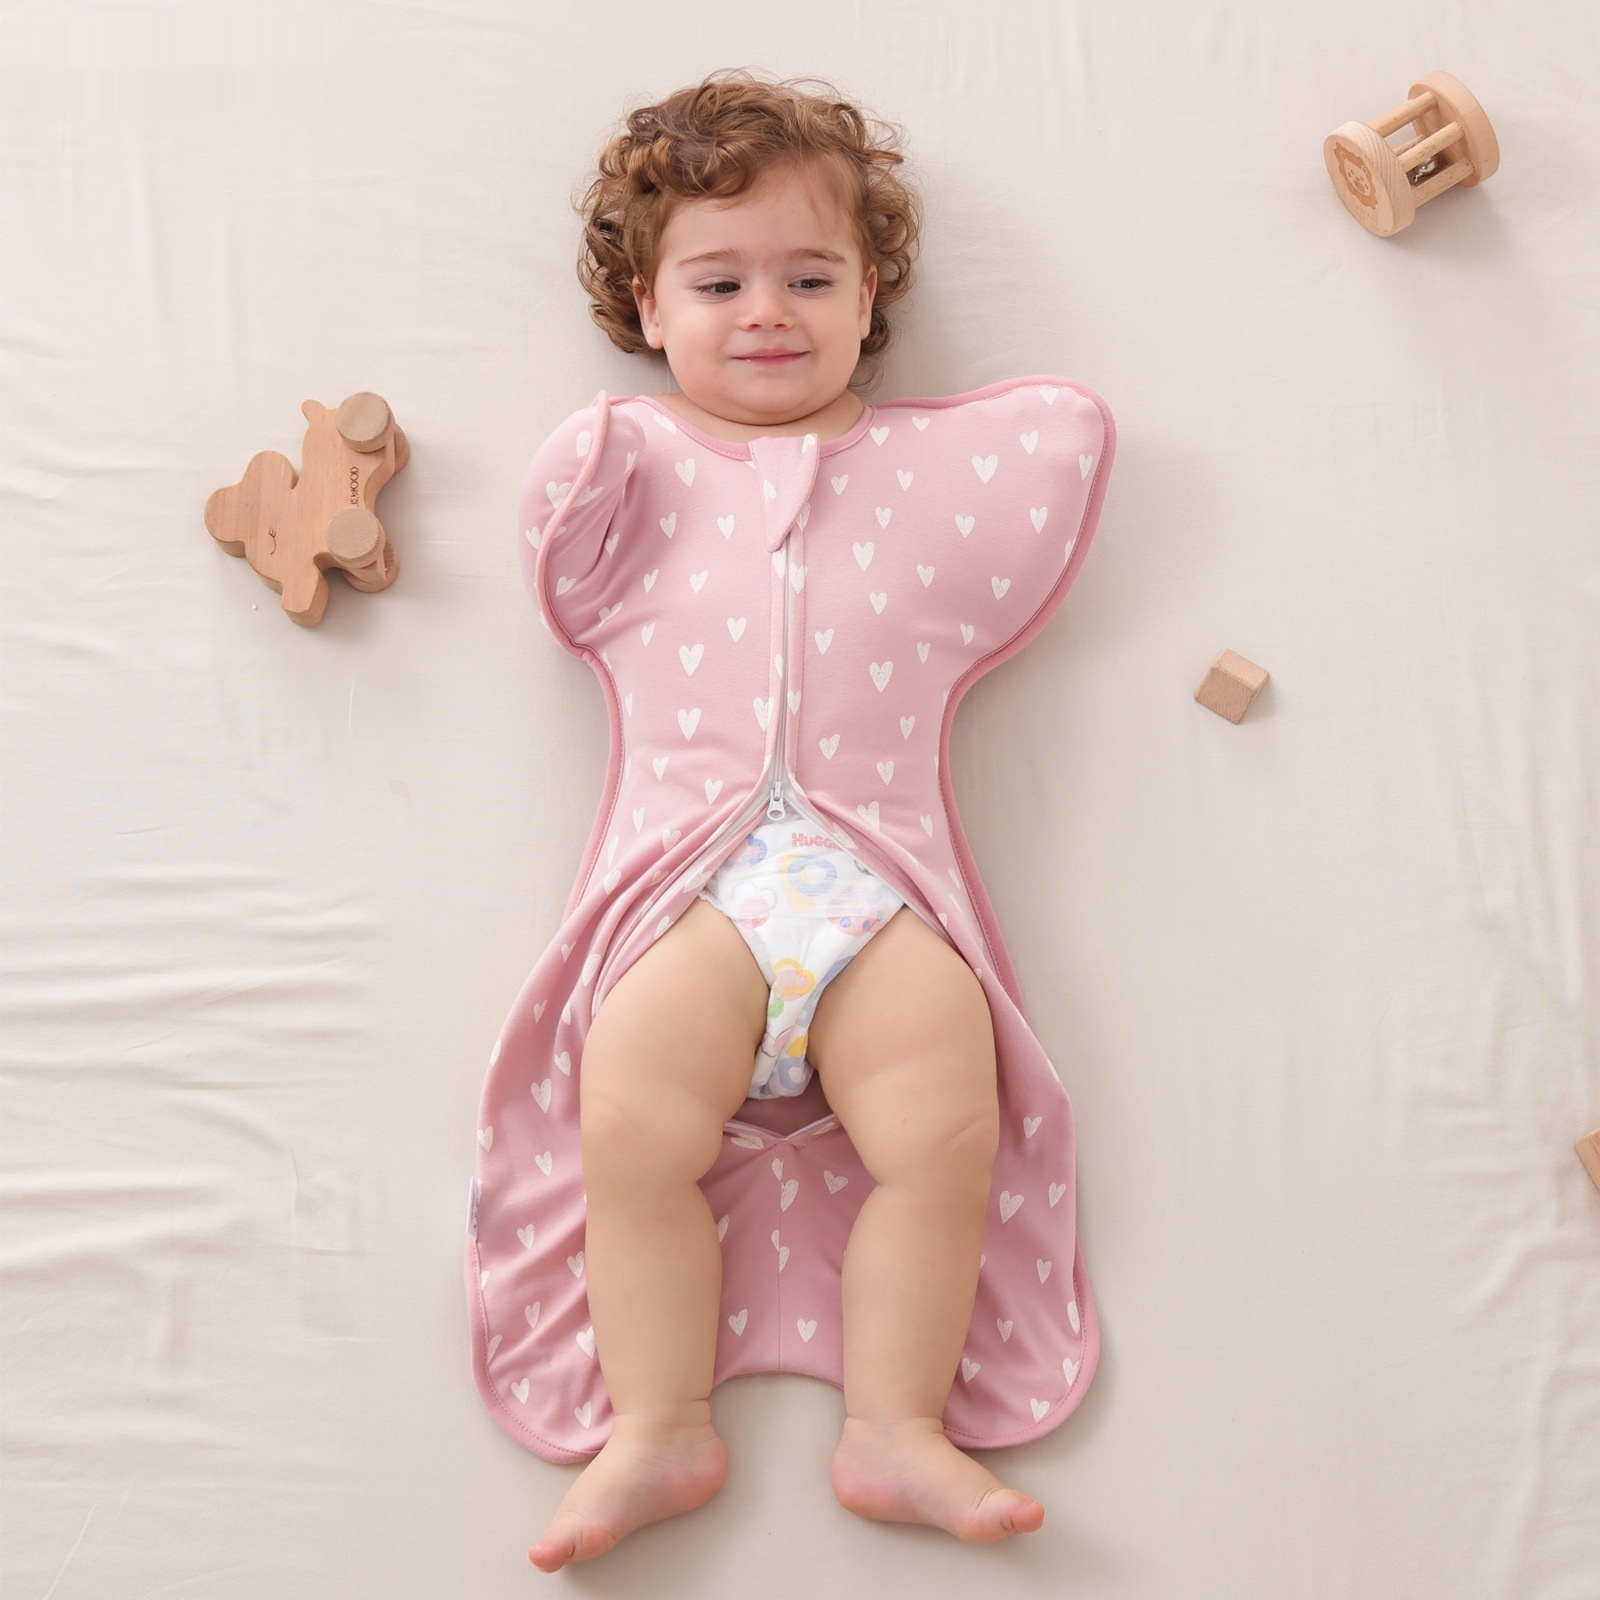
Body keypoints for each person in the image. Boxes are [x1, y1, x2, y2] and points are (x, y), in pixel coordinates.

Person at [524, 67, 1074, 1572]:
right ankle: (659, 1426)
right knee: (626, 1120)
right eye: (719, 283)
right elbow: (558, 572)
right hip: (693, 887)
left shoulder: (917, 469)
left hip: (870, 883)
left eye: (810, 278)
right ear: (648, 308)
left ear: (869, 295)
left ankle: (896, 1427)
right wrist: (590, 462)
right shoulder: (639, 463)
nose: (766, 311)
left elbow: (1062, 440)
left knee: (948, 1129)